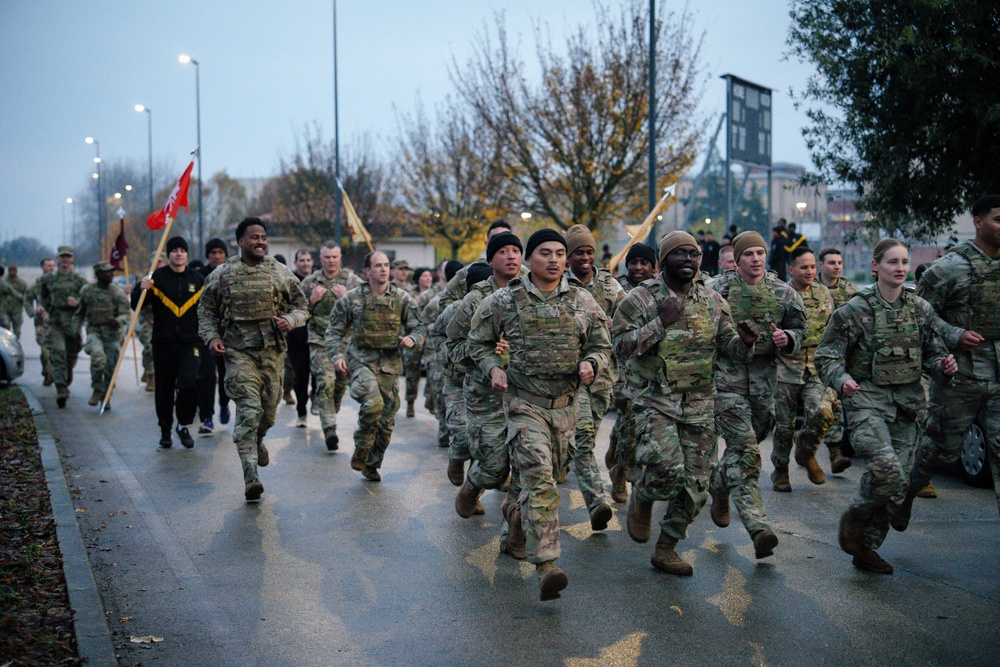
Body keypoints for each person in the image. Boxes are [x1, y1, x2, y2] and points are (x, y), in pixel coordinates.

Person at [466, 229, 611, 601]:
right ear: (530, 259)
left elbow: (601, 344)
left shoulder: (583, 300)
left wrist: (592, 363)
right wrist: (492, 368)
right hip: (524, 405)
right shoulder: (505, 300)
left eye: (560, 253)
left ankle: (516, 519)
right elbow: (477, 342)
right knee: (542, 479)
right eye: (545, 252)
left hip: (566, 408)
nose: (554, 260)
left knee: (541, 482)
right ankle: (547, 564)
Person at [613, 231, 758, 575]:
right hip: (654, 400)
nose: (689, 260)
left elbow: (731, 351)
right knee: (666, 471)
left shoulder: (712, 300)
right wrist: (659, 322)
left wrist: (745, 342)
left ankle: (666, 547)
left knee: (696, 486)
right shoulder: (640, 298)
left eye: (694, 254)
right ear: (664, 260)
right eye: (680, 254)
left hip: (700, 403)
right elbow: (619, 347)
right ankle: (644, 496)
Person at [815, 238, 957, 574]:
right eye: (893, 262)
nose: (900, 268)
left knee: (899, 486)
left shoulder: (919, 309)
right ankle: (856, 514)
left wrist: (944, 367)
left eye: (905, 262)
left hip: (907, 407)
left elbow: (933, 354)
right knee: (886, 470)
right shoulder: (854, 311)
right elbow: (826, 357)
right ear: (875, 266)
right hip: (867, 403)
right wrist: (842, 380)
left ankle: (866, 547)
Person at [898, 195, 1000, 525]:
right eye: (998, 219)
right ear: (979, 222)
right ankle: (907, 492)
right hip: (960, 374)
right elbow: (918, 314)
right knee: (940, 449)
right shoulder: (949, 268)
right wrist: (954, 334)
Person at [708, 231, 806, 559]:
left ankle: (719, 483)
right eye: (748, 254)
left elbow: (801, 329)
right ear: (736, 260)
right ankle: (759, 527)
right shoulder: (716, 290)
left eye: (760, 253)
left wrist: (788, 338)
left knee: (753, 440)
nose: (755, 259)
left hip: (765, 384)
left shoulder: (783, 293)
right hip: (726, 382)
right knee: (747, 450)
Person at [199, 218, 309, 501]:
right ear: (240, 241)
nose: (260, 242)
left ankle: (258, 440)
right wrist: (212, 337)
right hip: (238, 353)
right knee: (249, 411)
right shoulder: (223, 274)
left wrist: (290, 320)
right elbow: (206, 310)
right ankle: (251, 477)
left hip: (272, 354)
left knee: (268, 413)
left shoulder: (278, 271)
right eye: (254, 237)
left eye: (263, 237)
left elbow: (302, 306)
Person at [449, 238, 523, 556]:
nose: (511, 257)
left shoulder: (530, 293)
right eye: (503, 252)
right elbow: (453, 347)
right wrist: (486, 353)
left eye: (516, 251)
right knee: (495, 466)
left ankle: (515, 532)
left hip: (525, 393)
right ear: (491, 260)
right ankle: (473, 486)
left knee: (527, 464)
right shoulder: (475, 299)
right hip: (484, 394)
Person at [325, 251, 426, 482]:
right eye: (378, 265)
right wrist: (337, 355)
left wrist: (412, 338)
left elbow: (419, 327)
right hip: (361, 361)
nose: (383, 269)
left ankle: (371, 464)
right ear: (367, 271)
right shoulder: (352, 298)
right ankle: (362, 446)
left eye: (386, 265)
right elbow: (334, 331)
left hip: (389, 365)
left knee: (386, 422)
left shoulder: (401, 298)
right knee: (373, 404)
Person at [770, 247, 845, 493]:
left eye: (813, 266)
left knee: (824, 412)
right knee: (784, 427)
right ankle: (781, 470)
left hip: (816, 368)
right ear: (791, 269)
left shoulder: (824, 294)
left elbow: (832, 330)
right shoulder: (780, 295)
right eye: (804, 267)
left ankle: (805, 450)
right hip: (786, 369)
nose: (810, 271)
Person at [562, 224, 621, 525]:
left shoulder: (611, 286)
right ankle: (596, 502)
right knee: (583, 439)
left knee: (584, 436)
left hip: (602, 375)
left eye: (589, 252)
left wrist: (613, 325)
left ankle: (563, 460)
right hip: (569, 377)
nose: (585, 258)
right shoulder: (560, 284)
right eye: (578, 253)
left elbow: (630, 321)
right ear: (568, 256)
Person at [134, 237, 205, 449]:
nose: (179, 253)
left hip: (190, 342)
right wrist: (141, 289)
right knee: (164, 389)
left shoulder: (198, 280)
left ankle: (183, 424)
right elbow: (136, 305)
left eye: (182, 250)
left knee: (190, 382)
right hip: (163, 342)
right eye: (174, 250)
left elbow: (209, 309)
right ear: (169, 254)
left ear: (187, 254)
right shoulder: (156, 278)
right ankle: (165, 430)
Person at [608, 243, 658, 505]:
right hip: (622, 367)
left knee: (638, 427)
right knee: (628, 420)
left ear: (653, 266)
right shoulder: (618, 289)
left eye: (644, 262)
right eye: (633, 262)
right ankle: (620, 475)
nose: (638, 267)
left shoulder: (661, 290)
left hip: (651, 369)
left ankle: (617, 457)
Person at [300, 241, 362, 450]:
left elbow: (365, 310)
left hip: (345, 342)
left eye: (335, 257)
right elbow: (297, 314)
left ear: (340, 257)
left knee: (340, 382)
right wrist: (311, 301)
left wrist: (347, 298)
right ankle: (329, 429)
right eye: (327, 257)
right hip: (320, 340)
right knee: (326, 380)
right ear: (320, 258)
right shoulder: (310, 283)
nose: (331, 261)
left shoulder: (352, 282)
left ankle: (328, 406)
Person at [73, 262, 130, 407]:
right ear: (98, 274)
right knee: (98, 359)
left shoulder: (117, 292)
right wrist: (75, 331)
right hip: (94, 331)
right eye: (107, 272)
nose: (111, 274)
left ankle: (106, 395)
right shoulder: (87, 291)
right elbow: (79, 313)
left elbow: (126, 314)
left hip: (112, 335)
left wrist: (117, 320)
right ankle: (97, 389)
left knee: (110, 367)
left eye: (111, 272)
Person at [421, 259, 464, 450]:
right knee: (440, 389)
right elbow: (424, 322)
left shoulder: (473, 295)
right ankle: (444, 428)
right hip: (441, 351)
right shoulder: (438, 300)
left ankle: (457, 431)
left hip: (463, 353)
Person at [39, 246, 87, 408]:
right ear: (58, 258)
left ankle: (66, 381)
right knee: (58, 353)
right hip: (56, 322)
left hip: (73, 323)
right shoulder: (50, 279)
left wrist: (78, 302)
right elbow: (43, 296)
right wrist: (45, 311)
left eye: (68, 256)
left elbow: (89, 298)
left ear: (72, 259)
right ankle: (60, 388)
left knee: (71, 357)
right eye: (62, 256)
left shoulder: (79, 280)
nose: (65, 259)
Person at [439, 220, 527, 308]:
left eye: (515, 250)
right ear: (487, 244)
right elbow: (445, 300)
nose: (503, 240)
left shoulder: (523, 271)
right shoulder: (469, 271)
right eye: (496, 238)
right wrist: (471, 307)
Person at [196, 239, 232, 433]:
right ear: (208, 255)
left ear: (225, 254)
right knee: (207, 375)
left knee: (226, 374)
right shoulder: (199, 276)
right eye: (213, 253)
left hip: (228, 334)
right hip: (206, 334)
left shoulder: (232, 274)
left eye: (220, 252)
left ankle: (224, 403)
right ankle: (207, 417)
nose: (217, 256)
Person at [284, 248, 314, 426]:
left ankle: (315, 397)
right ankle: (301, 412)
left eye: (308, 260)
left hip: (317, 336)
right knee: (300, 378)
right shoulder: (290, 283)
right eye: (302, 260)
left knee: (319, 374)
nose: (305, 263)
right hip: (297, 337)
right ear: (295, 263)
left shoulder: (318, 281)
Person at [402, 267, 435, 417]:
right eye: (424, 276)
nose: (427, 278)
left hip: (431, 336)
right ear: (418, 278)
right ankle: (410, 402)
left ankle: (430, 398)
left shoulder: (436, 293)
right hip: (414, 336)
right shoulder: (410, 294)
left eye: (429, 276)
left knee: (433, 369)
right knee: (412, 371)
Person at [22, 257, 56, 384]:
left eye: (52, 265)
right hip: (42, 322)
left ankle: (55, 373)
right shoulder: (36, 285)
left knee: (58, 351)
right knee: (45, 350)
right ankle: (48, 374)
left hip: (57, 322)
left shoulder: (58, 282)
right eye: (48, 265)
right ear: (42, 267)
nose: (51, 268)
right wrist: (33, 311)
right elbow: (27, 300)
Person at [4, 264, 27, 339]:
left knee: (17, 331)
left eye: (14, 270)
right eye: (10, 270)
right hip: (5, 310)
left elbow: (26, 296)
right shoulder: (4, 282)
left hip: (17, 310)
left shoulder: (21, 283)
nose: (12, 272)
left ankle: (16, 343)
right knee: (5, 328)